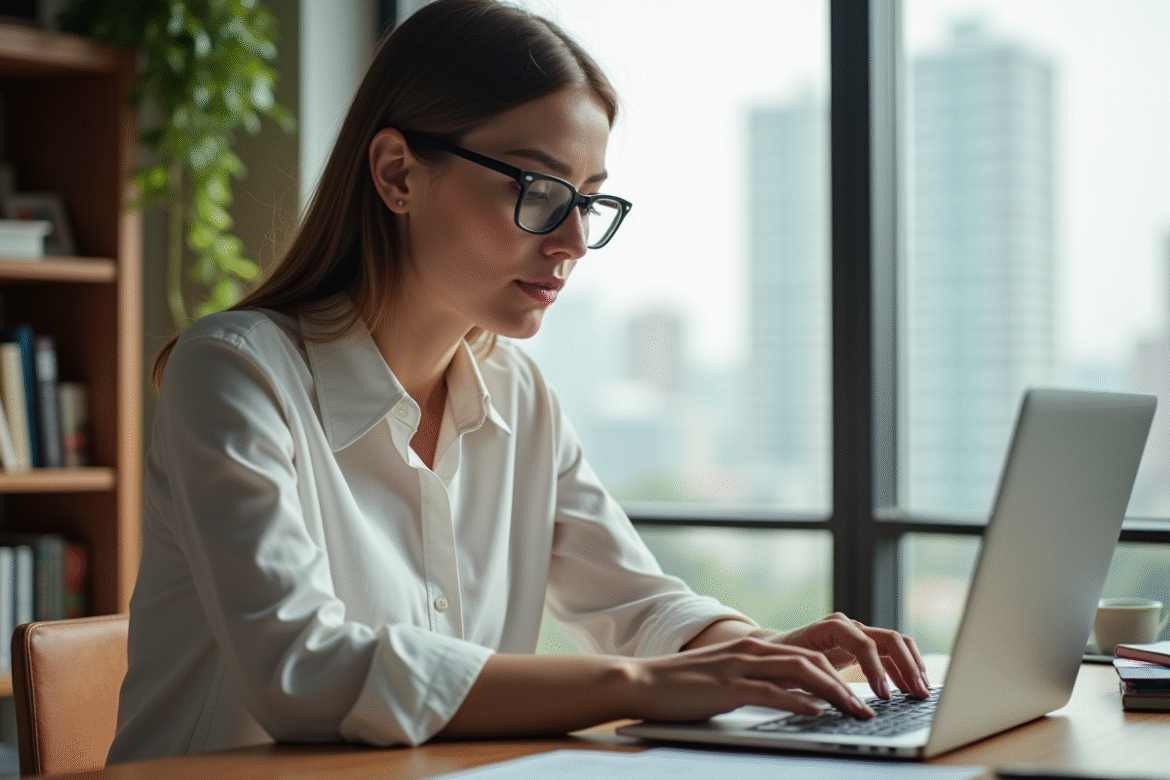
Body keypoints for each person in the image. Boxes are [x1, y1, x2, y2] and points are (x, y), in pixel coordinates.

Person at [108, 0, 929, 764]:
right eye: (538, 190)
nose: (572, 239)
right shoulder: (236, 372)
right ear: (397, 173)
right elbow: (304, 670)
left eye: (589, 202)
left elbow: (637, 605)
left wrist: (764, 654)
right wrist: (637, 687)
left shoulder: (517, 393)